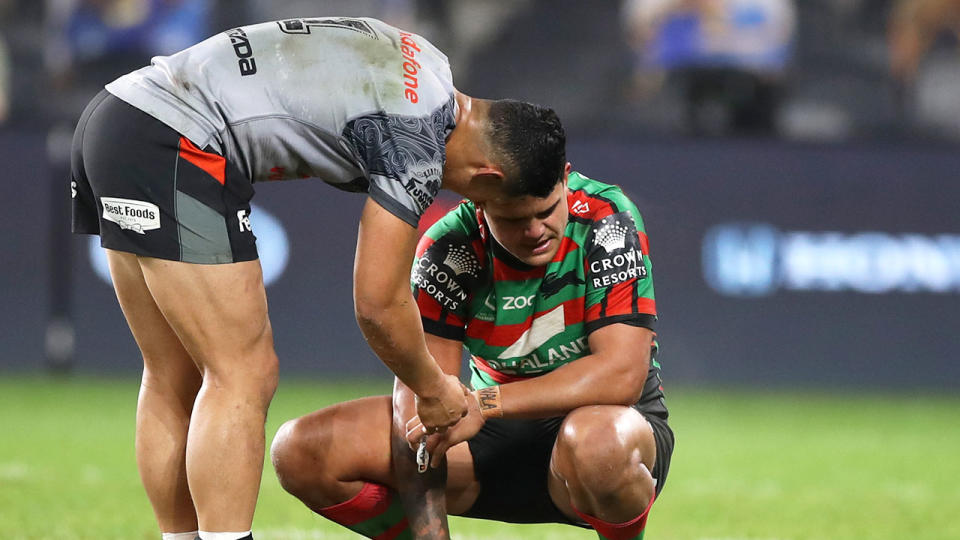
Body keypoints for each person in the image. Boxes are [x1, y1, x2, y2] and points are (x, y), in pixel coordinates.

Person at [70, 16, 564, 540]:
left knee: (175, 374)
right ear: (487, 176)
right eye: (499, 210)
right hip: (175, 140)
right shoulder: (417, 144)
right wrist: (432, 387)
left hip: (117, 113)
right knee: (244, 373)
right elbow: (377, 303)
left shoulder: (428, 61)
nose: (500, 222)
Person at [270, 159, 674, 540]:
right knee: (300, 451)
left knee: (597, 444)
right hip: (487, 442)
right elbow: (419, 412)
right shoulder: (450, 248)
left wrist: (487, 402)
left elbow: (621, 376)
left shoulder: (606, 217)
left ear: (565, 180)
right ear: (479, 205)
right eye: (515, 219)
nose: (535, 230)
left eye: (547, 211)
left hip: (599, 427)